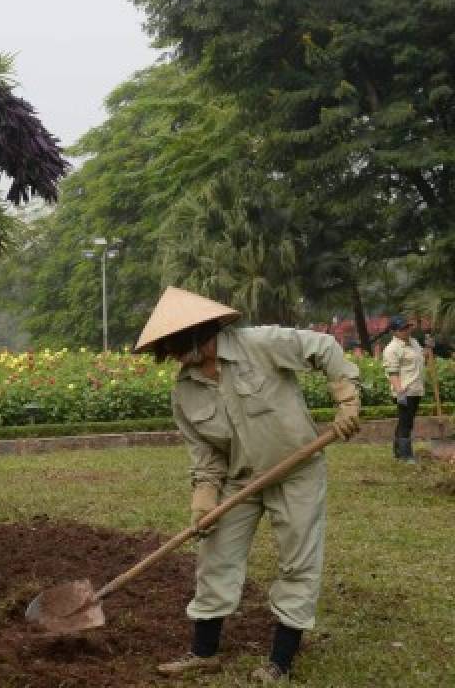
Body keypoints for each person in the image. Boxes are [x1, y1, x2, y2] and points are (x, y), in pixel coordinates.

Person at [135, 287, 361, 684]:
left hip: (296, 472)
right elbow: (206, 456)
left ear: (192, 333)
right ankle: (203, 652)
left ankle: (281, 661)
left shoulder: (260, 344)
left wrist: (346, 400)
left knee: (297, 561)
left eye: (169, 346)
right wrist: (204, 499)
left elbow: (324, 347)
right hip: (240, 480)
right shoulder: (184, 392)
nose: (168, 356)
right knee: (215, 557)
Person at [382, 315, 424, 464]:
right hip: (404, 391)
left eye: (407, 327)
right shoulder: (392, 349)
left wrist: (429, 348)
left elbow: (419, 358)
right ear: (394, 331)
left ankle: (398, 452)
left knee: (405, 421)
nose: (406, 330)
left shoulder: (414, 342)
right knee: (406, 422)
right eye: (402, 329)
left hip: (416, 389)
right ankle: (406, 455)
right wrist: (400, 391)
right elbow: (392, 372)